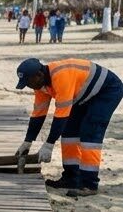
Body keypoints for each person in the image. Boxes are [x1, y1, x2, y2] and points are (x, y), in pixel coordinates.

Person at [14, 57, 123, 197]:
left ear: (39, 75)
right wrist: (28, 141)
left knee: (90, 134)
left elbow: (61, 116)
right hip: (82, 95)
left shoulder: (61, 77)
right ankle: (71, 178)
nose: (29, 86)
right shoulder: (40, 86)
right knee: (69, 133)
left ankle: (89, 184)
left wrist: (49, 144)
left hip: (107, 91)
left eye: (28, 82)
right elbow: (38, 114)